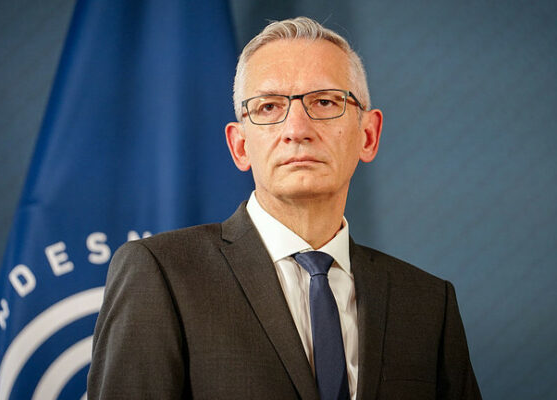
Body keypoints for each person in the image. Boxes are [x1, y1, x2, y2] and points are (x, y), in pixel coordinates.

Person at [88, 17, 481, 400]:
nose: (297, 129)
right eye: (269, 107)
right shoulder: (161, 274)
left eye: (325, 101)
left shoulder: (429, 304)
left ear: (368, 135)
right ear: (240, 145)